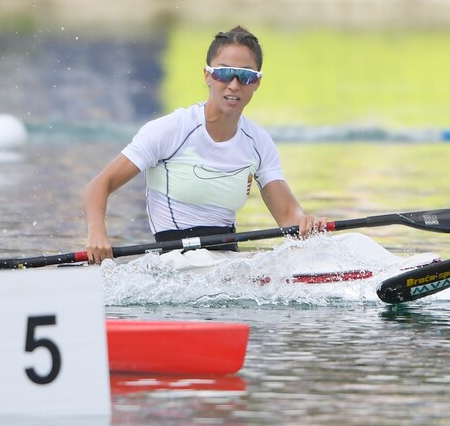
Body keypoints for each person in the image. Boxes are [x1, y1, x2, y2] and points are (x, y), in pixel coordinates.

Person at [84, 25, 327, 263]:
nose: (233, 85)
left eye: (245, 76)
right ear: (208, 75)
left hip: (227, 263)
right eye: (223, 73)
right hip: (175, 263)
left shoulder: (259, 141)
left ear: (256, 82)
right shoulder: (172, 129)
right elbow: (99, 185)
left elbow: (288, 216)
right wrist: (97, 234)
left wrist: (304, 222)